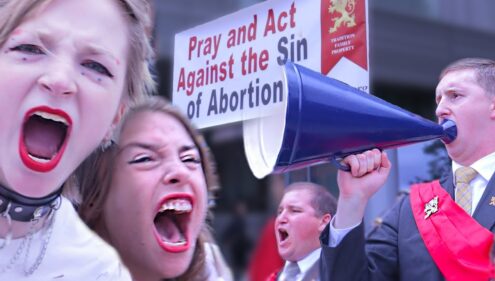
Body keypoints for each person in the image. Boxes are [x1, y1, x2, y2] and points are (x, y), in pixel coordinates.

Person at [0, 0, 154, 279]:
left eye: (96, 67)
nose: (59, 80)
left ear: (115, 119)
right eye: (29, 49)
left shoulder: (99, 272)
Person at [320, 58, 495, 281]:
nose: (441, 109)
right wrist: (351, 200)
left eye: (455, 96)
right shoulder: (409, 209)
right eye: (438, 100)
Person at [78, 96, 233, 281]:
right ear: (93, 194)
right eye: (145, 159)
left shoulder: (213, 270)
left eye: (189, 159)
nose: (180, 172)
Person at [269, 182, 337, 281]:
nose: (281, 218)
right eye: (280, 212)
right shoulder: (275, 277)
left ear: (324, 222)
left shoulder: (340, 274)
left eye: (295, 210)